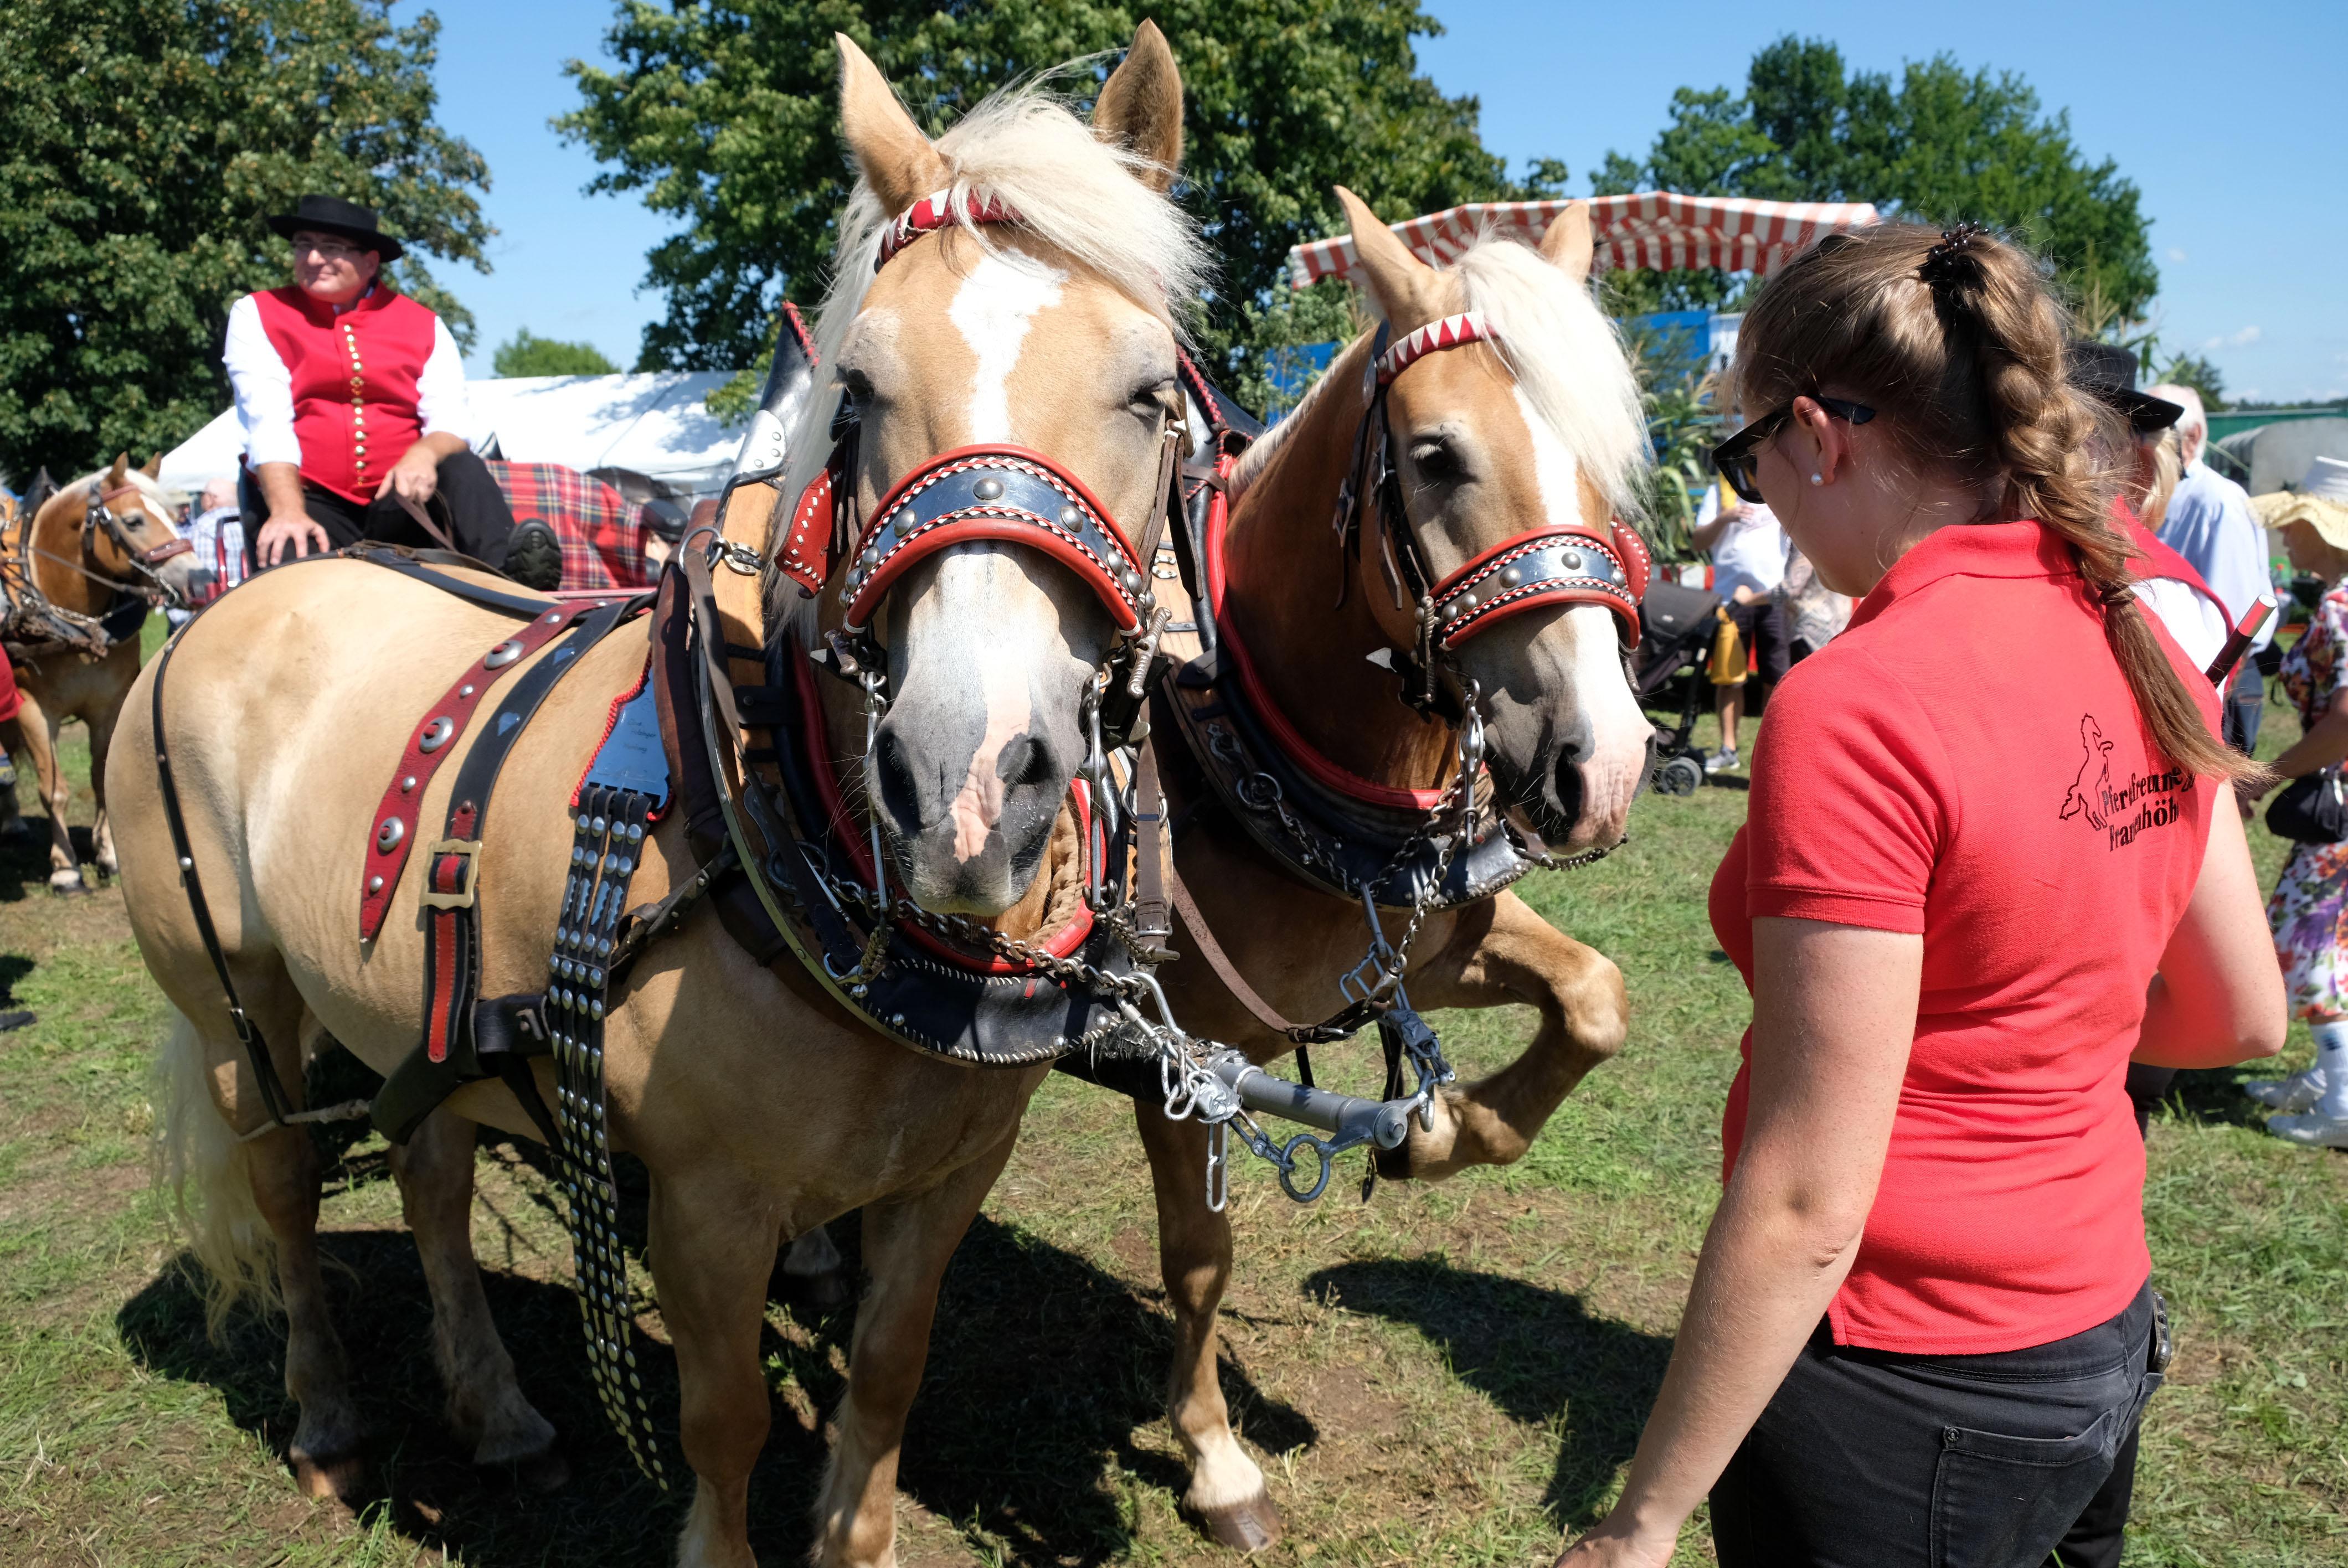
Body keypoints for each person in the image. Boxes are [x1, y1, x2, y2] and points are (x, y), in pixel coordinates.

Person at [1553, 221, 2283, 1568]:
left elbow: (1804, 1202)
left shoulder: (1858, 705)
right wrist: (2036, 1037)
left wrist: (1637, 1522)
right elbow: (2239, 1015)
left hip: (1899, 1388)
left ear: (1816, 436)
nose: (1761, 495)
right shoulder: (2134, 634)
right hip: (2096, 1335)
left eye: (1748, 457)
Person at [222, 193, 562, 587]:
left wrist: (423, 455)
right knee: (292, 564)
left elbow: (452, 421)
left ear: (371, 262)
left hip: (401, 499)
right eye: (304, 245)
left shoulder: (426, 325)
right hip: (309, 500)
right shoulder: (257, 313)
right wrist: (286, 510)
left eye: (331, 247)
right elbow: (266, 421)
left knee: (461, 465)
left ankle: (516, 585)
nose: (313, 258)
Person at [2240, 456, 2348, 1149]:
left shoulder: (2340, 609)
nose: (2284, 536)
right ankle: (2327, 1077)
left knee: (2304, 946)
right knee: (2330, 942)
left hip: (2338, 813)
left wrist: (2268, 773)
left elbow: (2345, 720)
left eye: (2295, 523)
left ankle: (2341, 1097)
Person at [2144, 380, 2277, 752]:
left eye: (2151, 428)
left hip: (2218, 682)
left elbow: (2236, 624)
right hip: (2181, 681)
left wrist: (2204, 710)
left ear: (2192, 438)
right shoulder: (2165, 493)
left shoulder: (2218, 501)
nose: (2136, 440)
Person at [1691, 487, 1791, 772]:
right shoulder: (1719, 490)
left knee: (1778, 680)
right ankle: (1728, 750)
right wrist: (1725, 518)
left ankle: (1774, 752)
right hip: (1730, 599)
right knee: (1729, 678)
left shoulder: (1778, 484)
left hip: (1774, 598)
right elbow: (1698, 542)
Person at [167, 477, 247, 627]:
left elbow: (201, 576)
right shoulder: (249, 519)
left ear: (211, 498)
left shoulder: (204, 526)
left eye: (202, 495)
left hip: (219, 608)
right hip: (251, 596)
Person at [1774, 548, 1848, 664]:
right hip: (1838, 627)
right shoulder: (1839, 544)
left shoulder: (1807, 543)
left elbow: (1791, 587)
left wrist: (1749, 599)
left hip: (1809, 630)